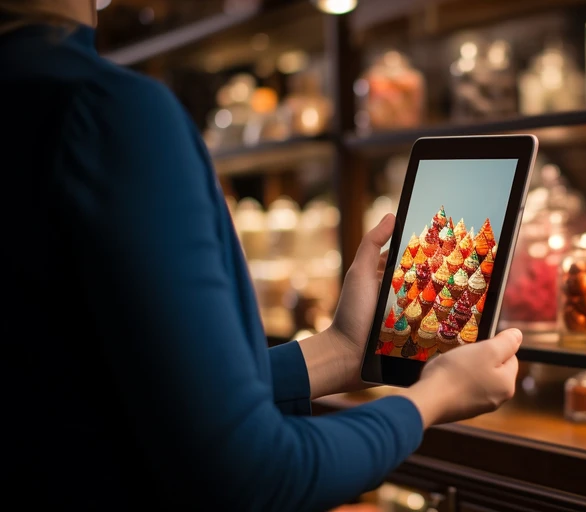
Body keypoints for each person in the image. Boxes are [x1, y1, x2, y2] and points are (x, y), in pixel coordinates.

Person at [0, 1, 520, 510]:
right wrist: (432, 399)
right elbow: (251, 474)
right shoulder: (107, 110)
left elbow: (119, 393)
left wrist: (342, 348)